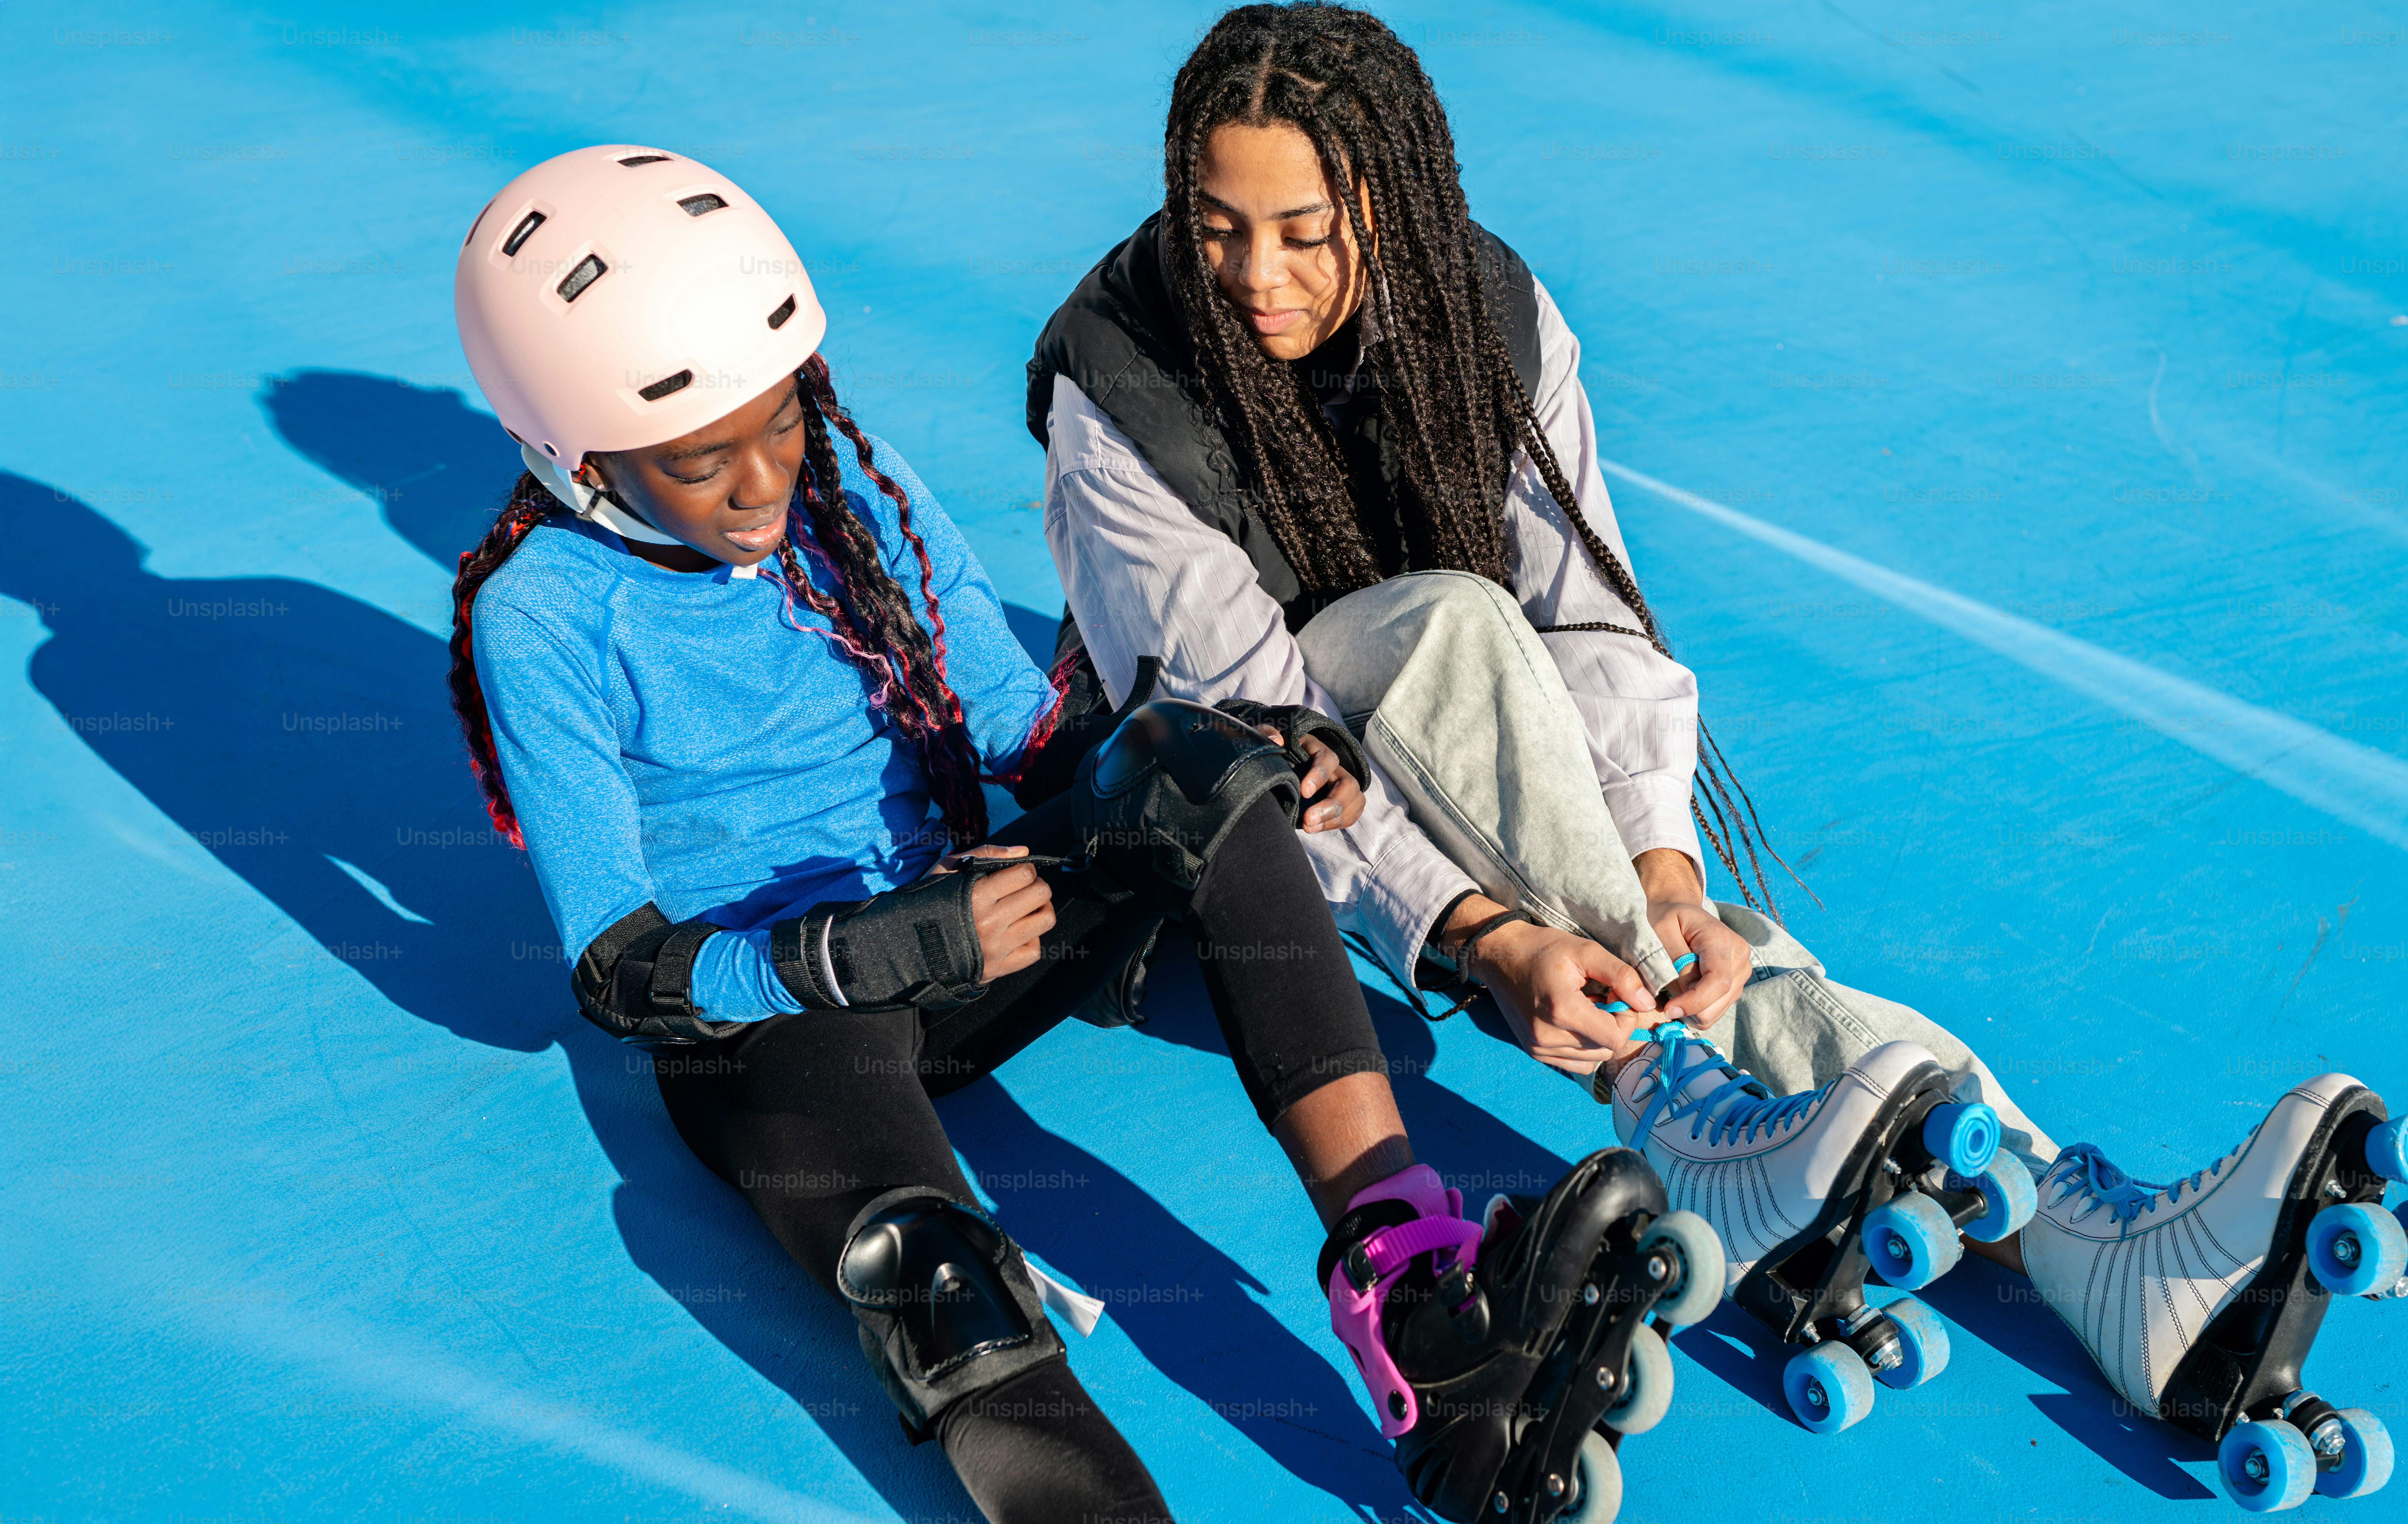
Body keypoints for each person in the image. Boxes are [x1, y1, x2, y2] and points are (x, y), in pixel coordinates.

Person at [1028, 1, 2407, 1493]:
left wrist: (1666, 876)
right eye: (1216, 228)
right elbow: (1252, 746)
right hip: (1213, 840)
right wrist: (1485, 939)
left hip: (1476, 765)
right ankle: (1678, 1097)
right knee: (1447, 622)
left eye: (1304, 233)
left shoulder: (1485, 308)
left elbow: (1594, 619)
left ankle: (2082, 1234)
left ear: (1389, 198)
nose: (1255, 277)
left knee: (1678, 895)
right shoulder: (1117, 379)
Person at [449, 143, 1711, 1524]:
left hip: (970, 930)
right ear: (567, 453)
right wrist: (864, 949)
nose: (761, 482)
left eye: (782, 423)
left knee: (1198, 766)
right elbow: (620, 970)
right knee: (930, 1267)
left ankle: (1416, 1304)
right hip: (777, 1030)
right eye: (699, 461)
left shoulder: (852, 487)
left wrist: (1253, 755)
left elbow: (1026, 736)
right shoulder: (544, 612)